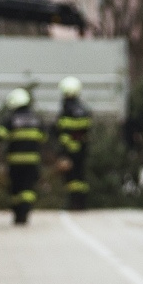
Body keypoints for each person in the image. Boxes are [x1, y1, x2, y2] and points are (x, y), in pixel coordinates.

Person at [0, 87, 45, 224]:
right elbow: (44, 137)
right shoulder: (35, 119)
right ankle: (25, 212)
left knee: (16, 189)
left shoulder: (11, 118)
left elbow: (0, 135)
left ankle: (17, 214)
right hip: (32, 161)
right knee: (28, 189)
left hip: (15, 162)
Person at [55, 76, 93, 210]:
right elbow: (86, 130)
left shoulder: (66, 110)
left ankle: (73, 203)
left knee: (71, 178)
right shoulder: (83, 109)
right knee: (81, 176)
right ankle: (82, 203)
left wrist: (63, 151)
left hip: (70, 150)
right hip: (82, 149)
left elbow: (63, 131)